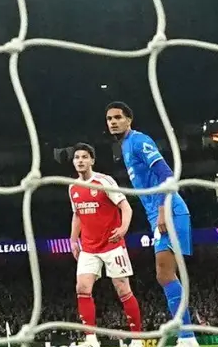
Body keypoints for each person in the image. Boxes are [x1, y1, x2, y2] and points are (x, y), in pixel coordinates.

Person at [104, 102, 197, 347]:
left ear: (129, 120)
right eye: (109, 119)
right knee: (165, 275)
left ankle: (187, 338)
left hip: (170, 210)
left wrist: (163, 211)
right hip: (159, 213)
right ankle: (187, 337)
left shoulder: (138, 141)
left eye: (118, 117)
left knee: (164, 273)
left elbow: (166, 174)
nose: (113, 122)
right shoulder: (125, 147)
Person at [66, 143, 141, 344]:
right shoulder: (72, 187)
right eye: (77, 157)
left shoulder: (104, 181)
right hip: (89, 247)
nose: (80, 160)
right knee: (82, 288)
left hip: (112, 245)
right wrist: (73, 240)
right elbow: (77, 215)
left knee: (123, 289)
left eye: (84, 157)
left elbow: (126, 207)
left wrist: (123, 228)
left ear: (92, 160)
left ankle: (137, 339)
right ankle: (91, 339)